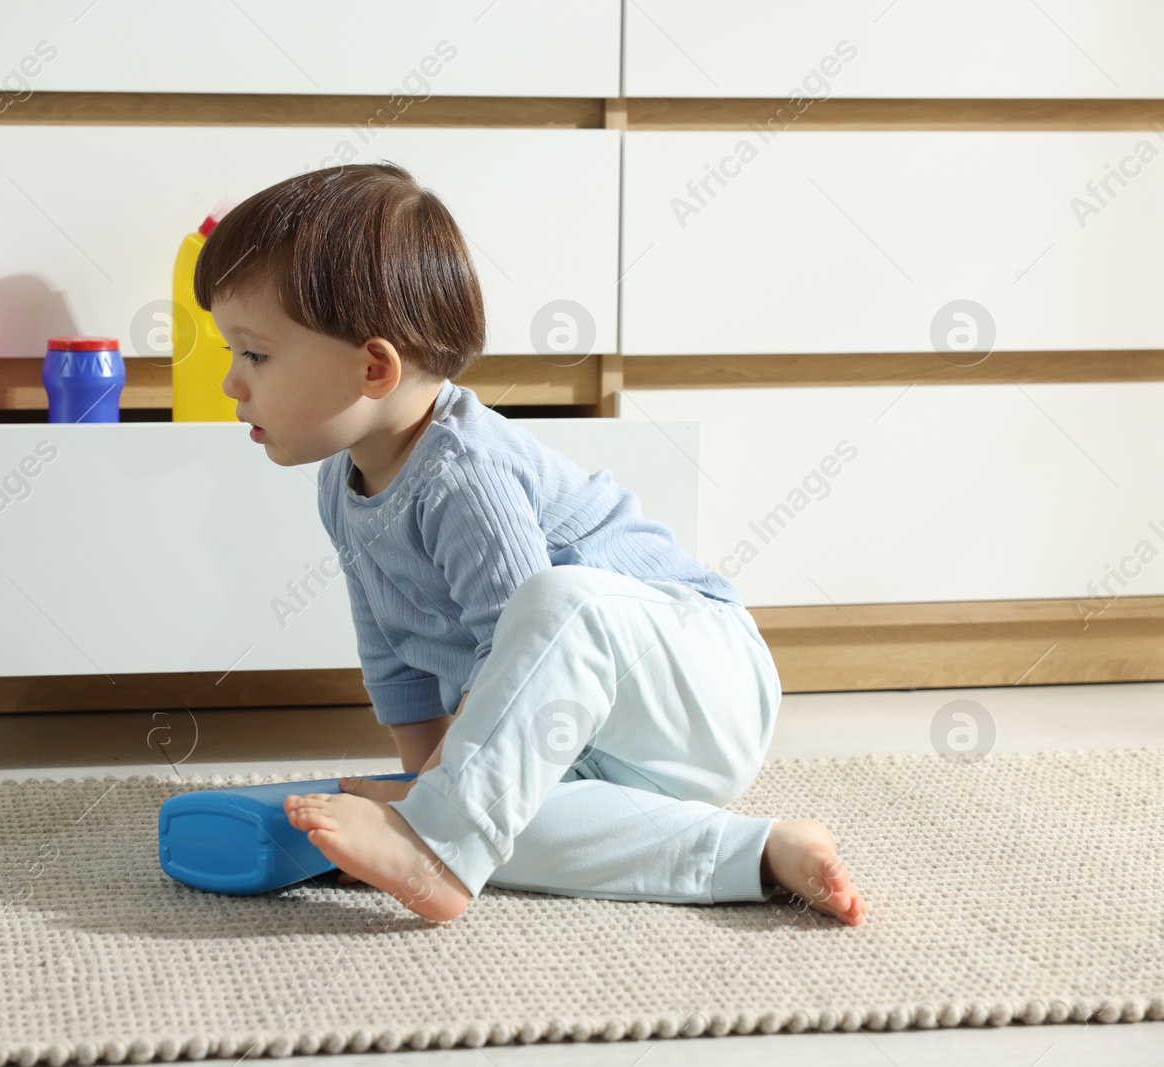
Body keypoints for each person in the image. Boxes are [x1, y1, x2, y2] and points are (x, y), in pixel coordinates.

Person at [195, 160, 867, 927]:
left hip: (697, 680)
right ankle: (759, 850)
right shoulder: (339, 486)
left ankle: (437, 848)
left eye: (253, 353)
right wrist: (428, 781)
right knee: (497, 817)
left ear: (374, 366)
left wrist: (435, 808)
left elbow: (518, 643)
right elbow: (389, 648)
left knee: (543, 611)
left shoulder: (463, 471)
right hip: (601, 744)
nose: (231, 383)